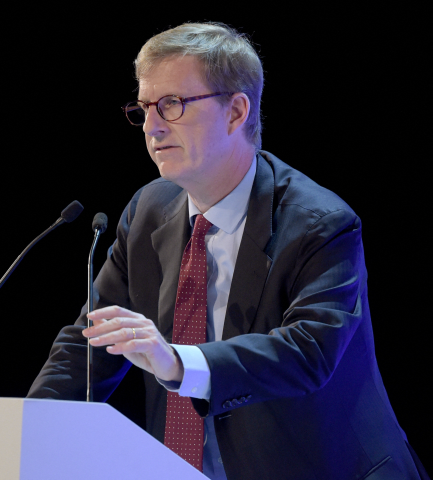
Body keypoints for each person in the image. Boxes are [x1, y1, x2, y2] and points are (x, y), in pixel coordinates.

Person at [27, 23, 428, 480]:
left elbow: (307, 353)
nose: (153, 127)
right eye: (143, 109)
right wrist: (30, 433)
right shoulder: (147, 210)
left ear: (236, 112)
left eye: (172, 105)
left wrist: (177, 362)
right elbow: (92, 343)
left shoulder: (319, 224)